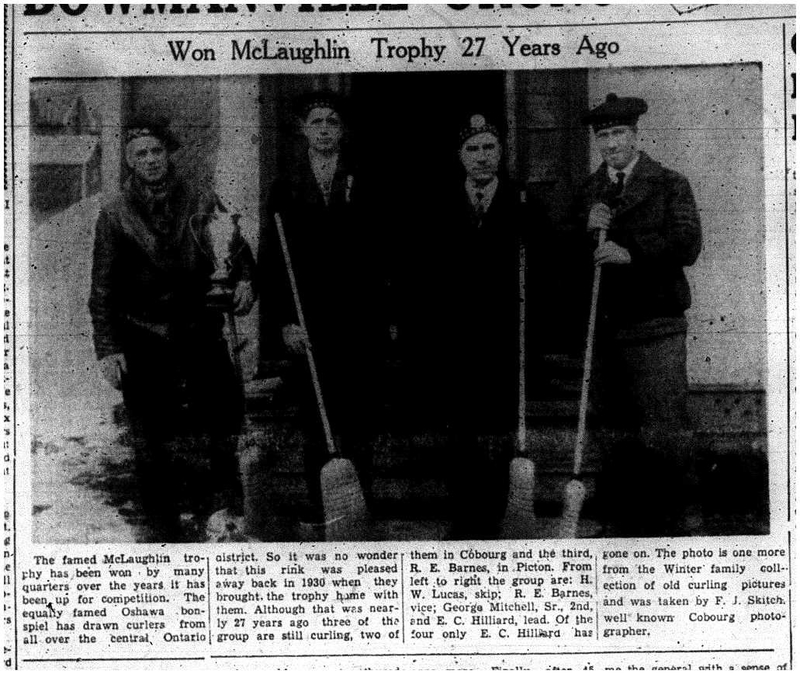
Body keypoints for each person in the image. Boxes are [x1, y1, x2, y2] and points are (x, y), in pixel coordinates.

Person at [89, 116, 256, 542]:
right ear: (130, 162)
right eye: (140, 154)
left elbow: (238, 252)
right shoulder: (115, 215)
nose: (150, 160)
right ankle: (161, 532)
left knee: (221, 423)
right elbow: (102, 290)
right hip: (143, 337)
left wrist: (245, 282)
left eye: (156, 151)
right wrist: (107, 349)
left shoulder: (201, 198)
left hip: (199, 330)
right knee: (151, 440)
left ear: (168, 154)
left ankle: (221, 518)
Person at [409, 114, 544, 540]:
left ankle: (500, 513)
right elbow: (423, 275)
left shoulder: (523, 202)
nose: (482, 156)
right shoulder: (438, 204)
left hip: (505, 337)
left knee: (500, 428)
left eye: (489, 147)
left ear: (501, 152)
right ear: (459, 155)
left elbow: (544, 272)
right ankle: (465, 516)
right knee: (460, 429)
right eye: (472, 148)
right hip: (456, 338)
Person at [573, 93, 703, 535]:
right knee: (613, 430)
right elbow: (567, 255)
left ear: (635, 135)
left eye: (618, 133)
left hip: (655, 326)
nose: (611, 143)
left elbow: (687, 243)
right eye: (603, 136)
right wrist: (584, 229)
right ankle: (620, 527)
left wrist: (631, 253)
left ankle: (676, 525)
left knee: (665, 429)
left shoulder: (669, 183)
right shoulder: (589, 191)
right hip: (606, 327)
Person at [258, 92, 384, 524]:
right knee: (316, 418)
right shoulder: (286, 186)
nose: (325, 129)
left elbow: (384, 251)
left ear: (342, 129)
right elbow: (272, 261)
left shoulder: (366, 179)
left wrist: (385, 315)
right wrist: (284, 324)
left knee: (359, 419)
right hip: (308, 320)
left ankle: (359, 510)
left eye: (332, 121)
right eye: (317, 121)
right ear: (303, 129)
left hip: (358, 319)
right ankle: (324, 509)